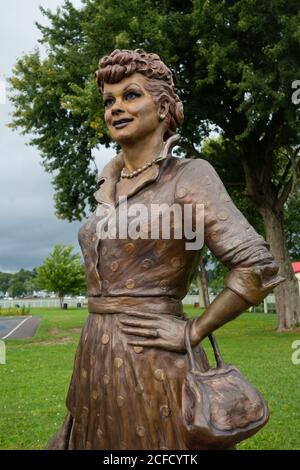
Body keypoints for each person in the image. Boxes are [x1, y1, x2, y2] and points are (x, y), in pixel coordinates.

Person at [47, 49, 284, 450]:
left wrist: (194, 330)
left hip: (154, 363)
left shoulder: (189, 176)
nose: (116, 108)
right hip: (94, 359)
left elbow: (256, 267)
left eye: (130, 95)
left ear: (163, 107)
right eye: (109, 100)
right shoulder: (106, 185)